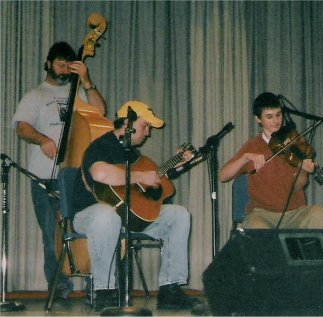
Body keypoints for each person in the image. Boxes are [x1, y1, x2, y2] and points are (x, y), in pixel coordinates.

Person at [71, 100, 201, 311]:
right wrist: (141, 176)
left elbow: (150, 184)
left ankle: (170, 289)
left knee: (179, 214)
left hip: (128, 215)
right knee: (107, 214)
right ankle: (104, 291)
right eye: (145, 126)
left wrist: (175, 165)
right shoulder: (101, 146)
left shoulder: (134, 155)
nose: (148, 133)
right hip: (89, 215)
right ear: (127, 123)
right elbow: (100, 173)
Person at [12, 42, 106, 299]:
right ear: (48, 63)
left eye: (68, 65)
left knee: (89, 228)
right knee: (51, 235)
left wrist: (86, 81)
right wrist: (42, 139)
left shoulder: (78, 92)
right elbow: (22, 127)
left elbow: (101, 113)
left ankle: (95, 286)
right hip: (45, 176)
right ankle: (59, 288)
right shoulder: (35, 95)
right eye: (60, 64)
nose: (64, 70)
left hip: (77, 175)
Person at [219, 92, 323, 229]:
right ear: (258, 119)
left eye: (278, 115)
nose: (276, 121)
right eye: (269, 117)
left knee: (319, 214)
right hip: (262, 213)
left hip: (294, 212)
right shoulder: (252, 146)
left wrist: (304, 172)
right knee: (257, 228)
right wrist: (245, 157)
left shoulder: (296, 141)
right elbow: (223, 176)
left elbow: (297, 186)